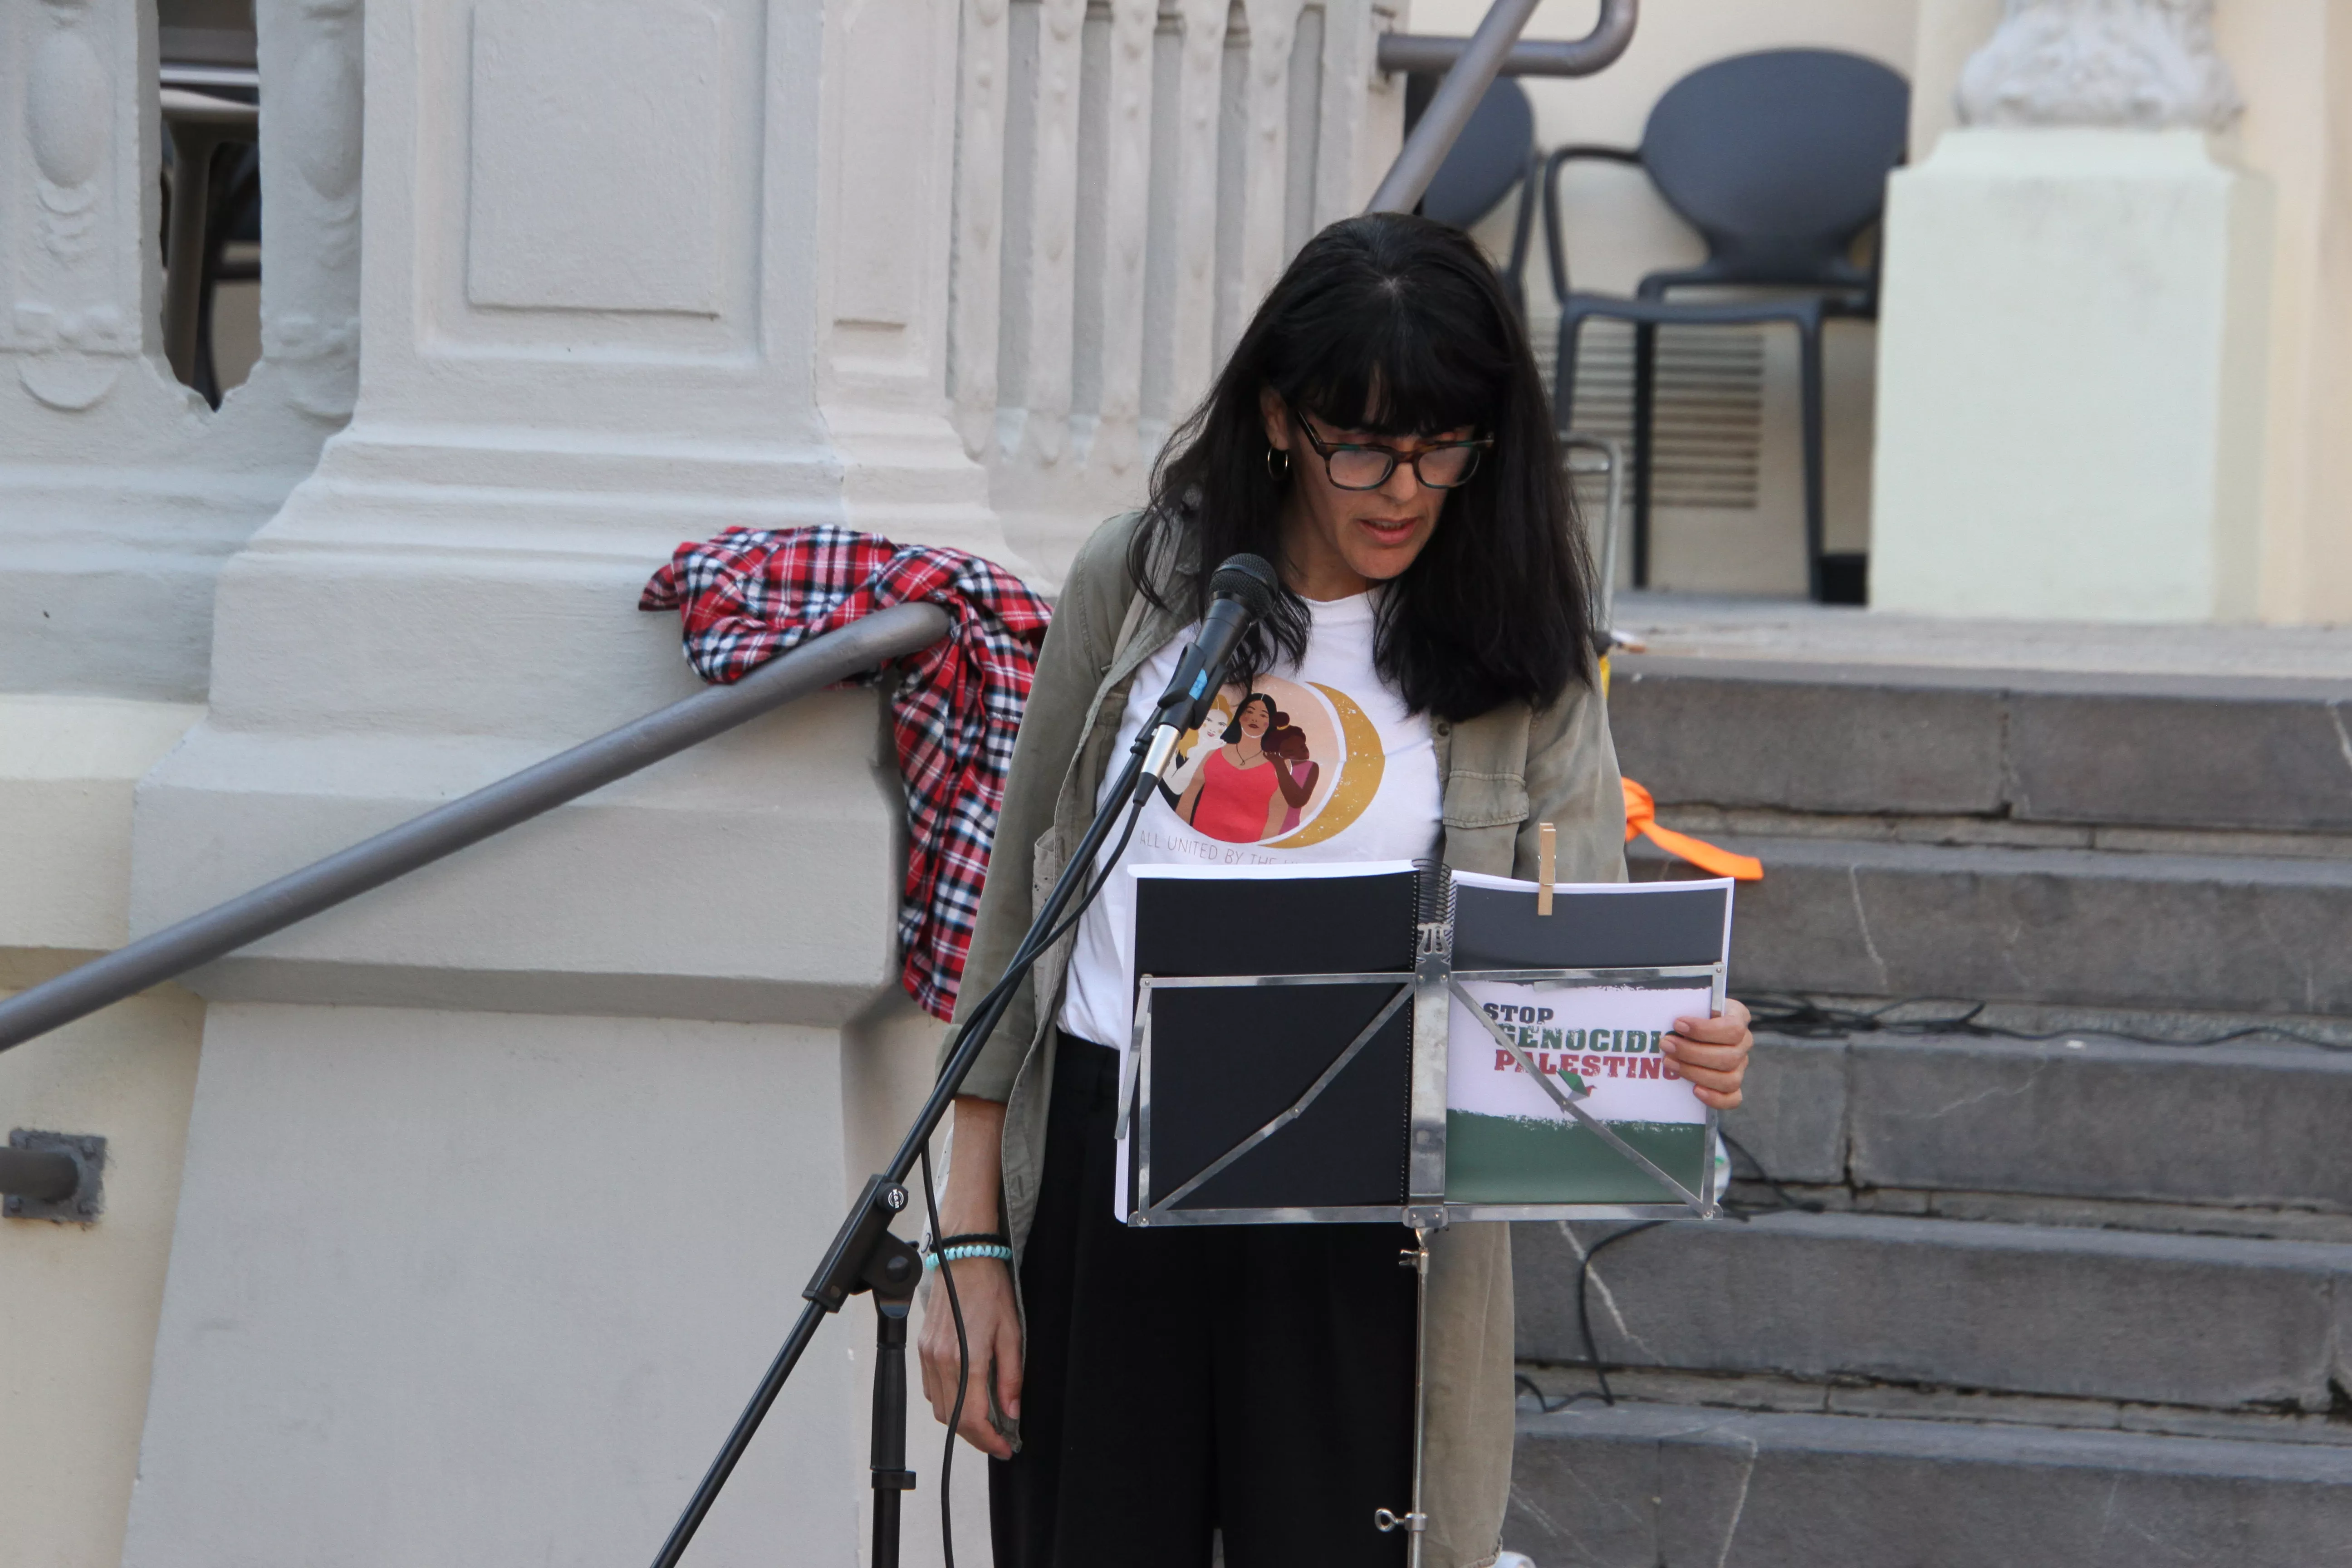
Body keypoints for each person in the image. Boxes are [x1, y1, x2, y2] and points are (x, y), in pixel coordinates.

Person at [917, 212, 1754, 1568]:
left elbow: (1581, 981)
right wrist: (967, 1247)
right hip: (1104, 1171)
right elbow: (1019, 920)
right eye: (1359, 443)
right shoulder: (1137, 584)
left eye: (1443, 448)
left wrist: (1684, 1050)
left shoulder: (1523, 656)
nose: (1402, 490)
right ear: (1276, 419)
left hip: (1369, 1229)